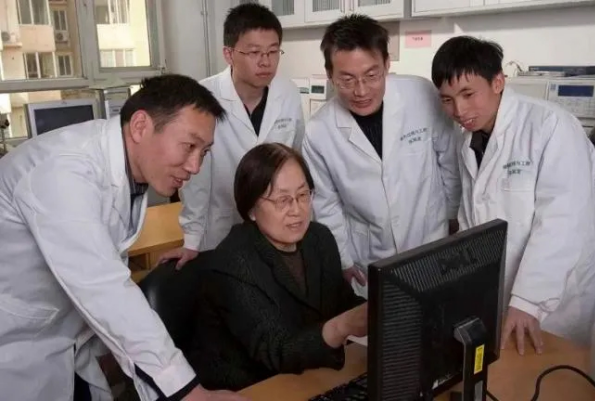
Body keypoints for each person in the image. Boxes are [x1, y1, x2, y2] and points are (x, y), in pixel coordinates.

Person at [0, 74, 248, 401]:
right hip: (16, 347)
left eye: (204, 152)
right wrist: (189, 393)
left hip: (63, 341)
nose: (195, 166)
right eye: (189, 146)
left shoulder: (127, 173)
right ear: (141, 126)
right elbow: (105, 287)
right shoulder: (64, 172)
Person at [431, 35, 595, 353]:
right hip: (501, 291)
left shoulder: (551, 126)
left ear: (498, 82)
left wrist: (528, 300)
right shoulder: (468, 139)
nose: (459, 110)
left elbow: (563, 222)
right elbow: (472, 218)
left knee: (555, 371)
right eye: (447, 99)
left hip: (556, 297)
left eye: (468, 94)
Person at [302, 15, 461, 299]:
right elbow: (326, 203)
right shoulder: (319, 131)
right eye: (347, 79)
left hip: (431, 241)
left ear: (387, 64)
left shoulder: (420, 94)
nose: (361, 90)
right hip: (370, 256)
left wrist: (452, 217)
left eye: (371, 75)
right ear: (330, 75)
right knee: (380, 321)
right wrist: (343, 259)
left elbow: (449, 160)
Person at [187, 143, 368, 391]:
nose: (297, 210)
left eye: (303, 195)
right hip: (250, 387)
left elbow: (342, 301)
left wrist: (380, 309)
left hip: (304, 375)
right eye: (283, 200)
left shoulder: (319, 238)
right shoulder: (232, 264)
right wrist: (343, 325)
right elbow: (278, 349)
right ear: (251, 209)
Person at [159, 3, 304, 268]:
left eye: (273, 51)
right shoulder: (203, 98)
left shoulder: (288, 93)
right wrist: (192, 240)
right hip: (220, 230)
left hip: (275, 227)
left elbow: (295, 157)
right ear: (229, 54)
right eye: (254, 52)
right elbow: (196, 180)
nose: (266, 62)